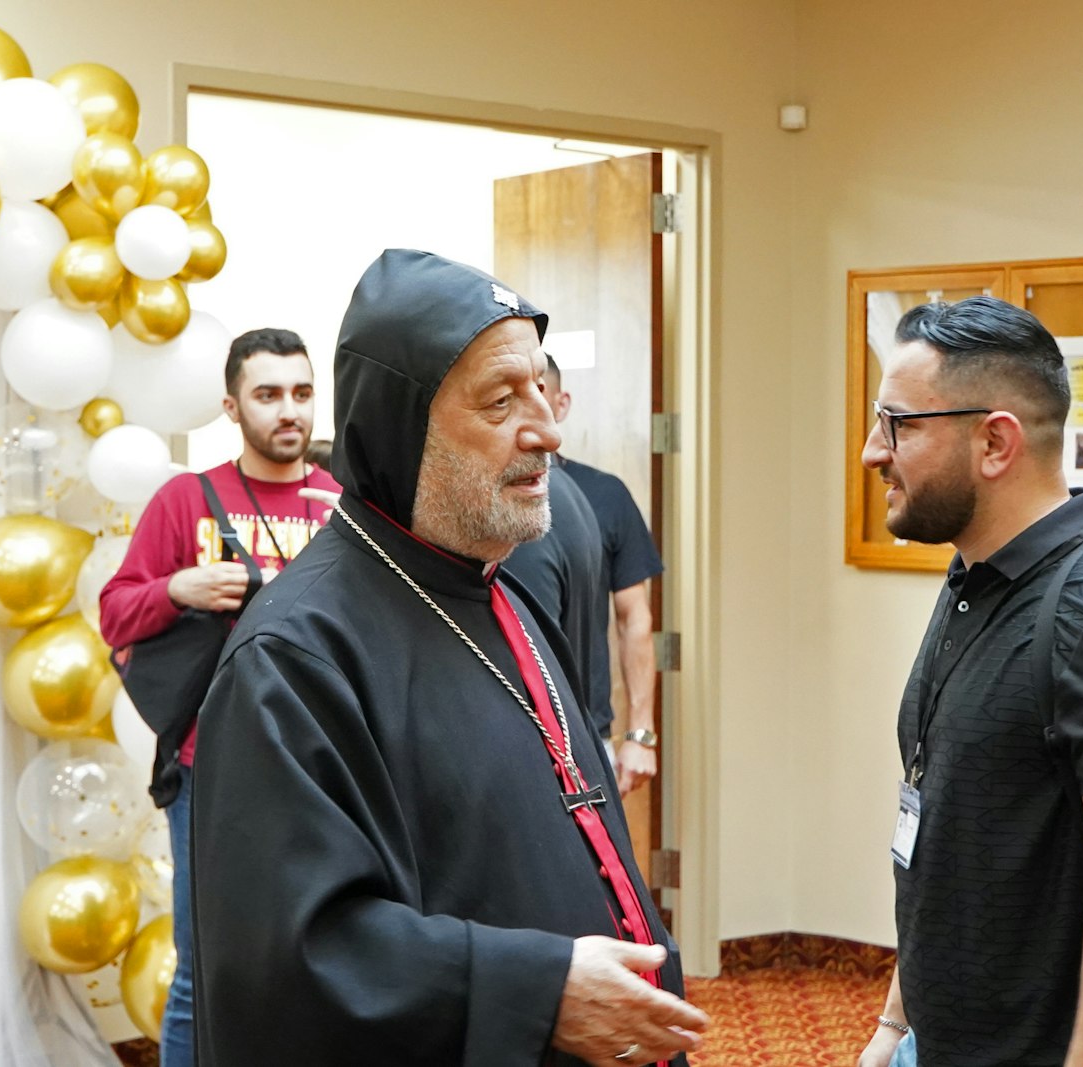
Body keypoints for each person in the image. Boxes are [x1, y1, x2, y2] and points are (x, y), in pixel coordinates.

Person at [190, 249, 708, 1066]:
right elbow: (295, 958)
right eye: (503, 400)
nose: (546, 427)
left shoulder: (503, 593)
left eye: (541, 387)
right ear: (404, 425)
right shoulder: (293, 656)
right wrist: (539, 993)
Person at [855, 296, 1083, 1067]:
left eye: (898, 424)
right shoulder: (976, 581)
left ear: (995, 442)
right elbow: (945, 828)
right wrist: (896, 1027)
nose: (870, 451)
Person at [97, 326, 340, 1067]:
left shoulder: (339, 506)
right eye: (268, 395)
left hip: (322, 768)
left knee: (318, 964)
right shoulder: (187, 498)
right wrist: (178, 587)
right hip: (212, 769)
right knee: (203, 970)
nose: (288, 411)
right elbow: (115, 612)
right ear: (232, 407)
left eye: (300, 392)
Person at [542, 354, 664, 794]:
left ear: (562, 403)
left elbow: (635, 618)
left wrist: (640, 735)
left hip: (589, 732)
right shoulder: (489, 504)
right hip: (510, 727)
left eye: (540, 392)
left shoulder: (605, 495)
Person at [501, 460, 607, 732]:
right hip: (575, 733)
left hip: (548, 743)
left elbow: (532, 667)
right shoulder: (569, 491)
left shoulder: (525, 507)